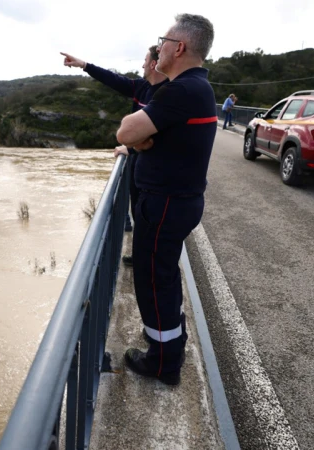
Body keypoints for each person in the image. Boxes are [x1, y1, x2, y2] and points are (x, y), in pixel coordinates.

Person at [115, 13, 216, 386]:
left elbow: (126, 130)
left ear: (180, 47)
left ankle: (163, 362)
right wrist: (140, 142)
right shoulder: (195, 88)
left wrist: (136, 140)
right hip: (177, 202)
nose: (158, 47)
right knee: (165, 275)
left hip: (166, 203)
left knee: (154, 280)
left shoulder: (181, 90)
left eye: (163, 40)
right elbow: (141, 138)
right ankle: (170, 339)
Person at [61, 47, 167, 266]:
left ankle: (151, 261)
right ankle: (142, 256)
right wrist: (85, 66)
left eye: (145, 61)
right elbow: (114, 80)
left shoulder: (166, 93)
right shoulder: (142, 87)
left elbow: (158, 137)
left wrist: (130, 147)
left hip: (154, 170)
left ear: (154, 64)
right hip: (138, 163)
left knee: (149, 217)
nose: (142, 65)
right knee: (139, 211)